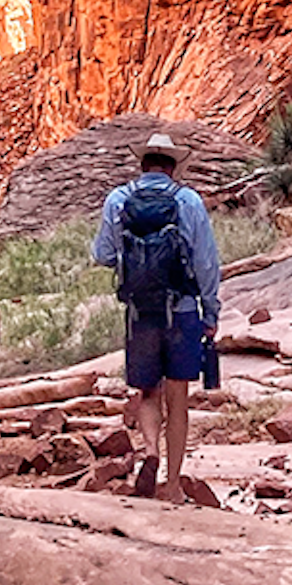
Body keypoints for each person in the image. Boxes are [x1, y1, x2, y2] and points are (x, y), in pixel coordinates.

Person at [94, 135, 222, 499]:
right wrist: (210, 312)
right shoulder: (188, 201)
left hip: (140, 312)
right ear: (172, 167)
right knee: (177, 398)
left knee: (148, 391)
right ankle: (173, 483)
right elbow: (206, 263)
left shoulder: (118, 200)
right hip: (181, 309)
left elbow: (102, 253)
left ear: (143, 165)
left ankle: (150, 450)